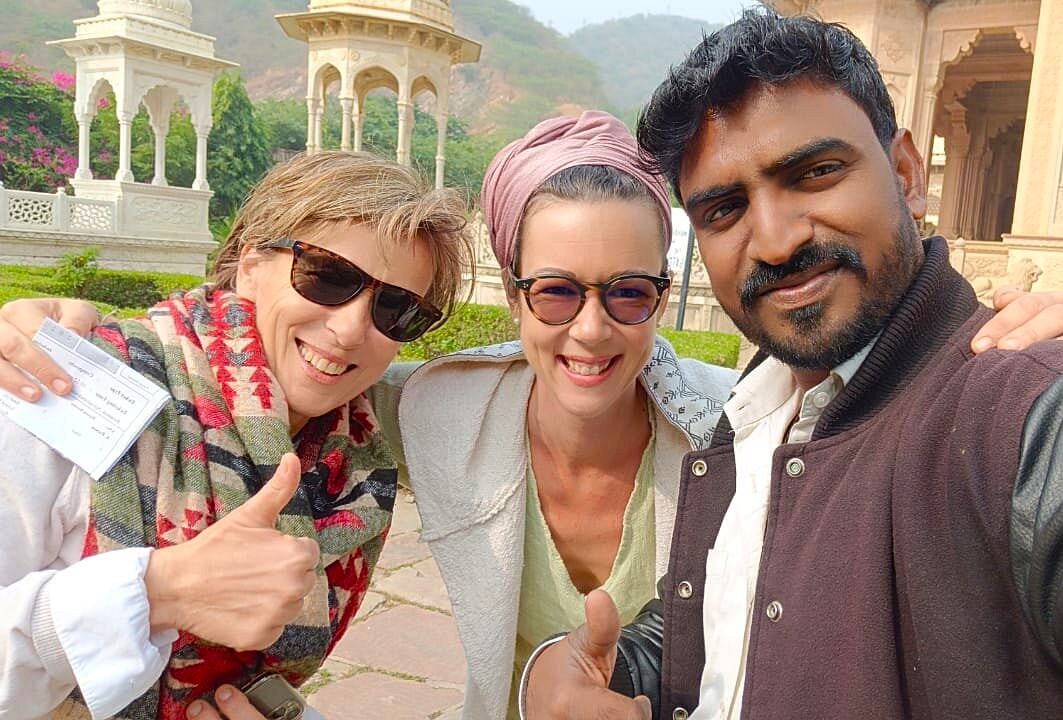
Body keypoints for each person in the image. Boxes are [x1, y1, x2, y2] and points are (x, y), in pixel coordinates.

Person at [3, 115, 1063, 720]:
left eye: (629, 293)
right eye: (555, 291)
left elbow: (880, 392)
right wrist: (54, 329)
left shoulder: (740, 436)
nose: (590, 329)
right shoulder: (423, 413)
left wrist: (1007, 327)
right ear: (511, 300)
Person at [521, 9, 1063, 720]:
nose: (774, 241)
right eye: (722, 210)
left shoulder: (1019, 413)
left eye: (814, 173)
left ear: (904, 172)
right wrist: (588, 671)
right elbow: (734, 612)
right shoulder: (760, 402)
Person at [0, 150, 470, 719]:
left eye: (396, 309)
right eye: (327, 276)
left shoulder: (351, 466)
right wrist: (157, 593)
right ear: (250, 264)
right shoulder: (73, 385)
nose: (350, 330)